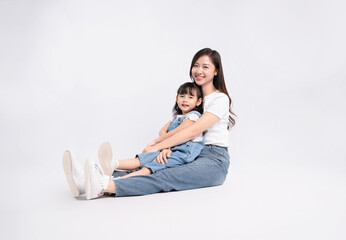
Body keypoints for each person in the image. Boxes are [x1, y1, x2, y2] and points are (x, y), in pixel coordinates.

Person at [62, 47, 236, 200]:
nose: (199, 70)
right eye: (196, 65)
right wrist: (168, 148)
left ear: (216, 71)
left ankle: (103, 186)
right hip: (188, 150)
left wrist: (157, 146)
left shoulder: (219, 99)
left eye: (205, 67)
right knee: (150, 165)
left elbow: (192, 131)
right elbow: (177, 131)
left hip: (214, 160)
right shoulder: (192, 98)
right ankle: (85, 181)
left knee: (164, 175)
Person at [99, 82, 205, 180]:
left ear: (198, 101)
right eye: (182, 96)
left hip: (184, 152)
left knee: (154, 164)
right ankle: (112, 164)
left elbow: (177, 132)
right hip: (172, 147)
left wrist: (157, 142)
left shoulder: (194, 116)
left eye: (190, 97)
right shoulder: (175, 117)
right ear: (177, 98)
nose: (185, 100)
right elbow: (163, 130)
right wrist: (165, 147)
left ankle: (120, 180)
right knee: (144, 158)